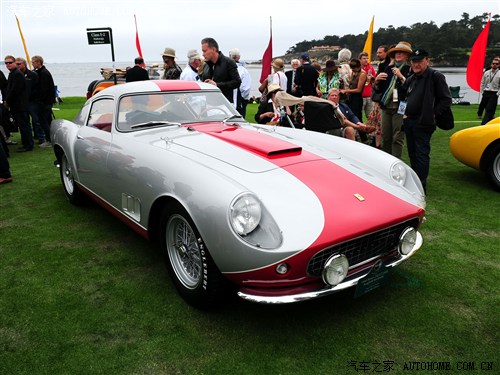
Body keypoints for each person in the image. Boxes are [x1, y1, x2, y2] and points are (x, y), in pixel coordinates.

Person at [401, 49, 452, 192]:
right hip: (409, 121)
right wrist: (402, 113)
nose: (416, 64)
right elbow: (404, 96)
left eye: (419, 61)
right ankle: (415, 180)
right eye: (414, 61)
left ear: (427, 61)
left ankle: (420, 185)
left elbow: (446, 99)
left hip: (424, 122)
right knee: (412, 152)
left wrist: (433, 114)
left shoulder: (436, 76)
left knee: (422, 153)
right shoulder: (412, 78)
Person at [373, 41, 413, 159]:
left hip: (401, 105)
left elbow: (411, 88)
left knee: (398, 137)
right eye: (396, 52)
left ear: (407, 56)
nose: (398, 54)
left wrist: (401, 77)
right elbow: (379, 89)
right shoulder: (388, 68)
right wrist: (376, 82)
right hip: (386, 105)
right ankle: (386, 161)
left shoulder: (409, 69)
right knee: (386, 136)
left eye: (401, 52)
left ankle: (396, 161)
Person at [4, 55, 33, 152]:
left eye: (10, 62)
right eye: (6, 63)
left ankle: (28, 144)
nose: (8, 65)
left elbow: (14, 90)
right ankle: (26, 143)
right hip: (17, 105)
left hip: (20, 105)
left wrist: (7, 101)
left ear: (14, 63)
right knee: (23, 125)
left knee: (24, 125)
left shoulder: (16, 74)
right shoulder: (13, 73)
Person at [200, 37, 241, 103]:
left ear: (213, 49)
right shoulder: (206, 65)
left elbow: (237, 82)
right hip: (208, 104)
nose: (203, 54)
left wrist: (217, 85)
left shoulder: (229, 62)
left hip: (225, 104)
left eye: (205, 51)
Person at [15, 57, 44, 146]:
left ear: (24, 64)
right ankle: (28, 138)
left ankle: (41, 137)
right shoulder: (16, 75)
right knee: (25, 121)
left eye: (19, 64)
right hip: (22, 102)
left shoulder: (32, 75)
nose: (17, 66)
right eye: (16, 64)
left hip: (32, 101)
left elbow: (37, 88)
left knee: (36, 120)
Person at [31, 55, 55, 148]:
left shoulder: (43, 73)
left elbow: (44, 89)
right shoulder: (40, 72)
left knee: (44, 120)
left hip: (45, 102)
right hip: (46, 101)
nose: (32, 64)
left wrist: (40, 100)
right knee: (47, 120)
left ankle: (49, 140)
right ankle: (51, 138)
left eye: (33, 62)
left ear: (38, 62)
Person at [228, 48, 251, 118]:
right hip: (238, 100)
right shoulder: (244, 71)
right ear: (239, 57)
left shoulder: (226, 68)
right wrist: (243, 99)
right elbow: (245, 88)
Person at [478, 57, 500, 125]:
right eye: (493, 63)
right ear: (491, 64)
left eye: (496, 64)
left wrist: (497, 93)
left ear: (499, 65)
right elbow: (482, 82)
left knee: (489, 109)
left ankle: (483, 123)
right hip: (486, 92)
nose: (494, 65)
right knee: (484, 106)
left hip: (494, 93)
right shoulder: (487, 72)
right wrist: (482, 91)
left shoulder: (499, 73)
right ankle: (490, 119)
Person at [359, 52, 377, 120]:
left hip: (369, 95)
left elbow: (375, 81)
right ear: (360, 60)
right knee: (359, 115)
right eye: (364, 58)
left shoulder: (371, 68)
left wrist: (372, 78)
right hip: (360, 96)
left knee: (370, 116)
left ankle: (370, 129)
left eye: (367, 58)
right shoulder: (358, 69)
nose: (366, 60)